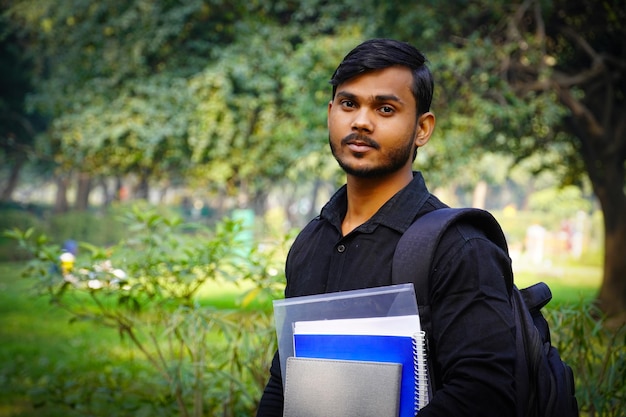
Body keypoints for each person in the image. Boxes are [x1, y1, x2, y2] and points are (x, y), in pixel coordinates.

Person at [256, 38, 516, 417]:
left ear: (422, 129)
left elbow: (483, 397)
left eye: (385, 108)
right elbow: (286, 381)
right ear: (331, 113)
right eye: (349, 104)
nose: (361, 120)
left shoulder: (459, 246)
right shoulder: (312, 241)